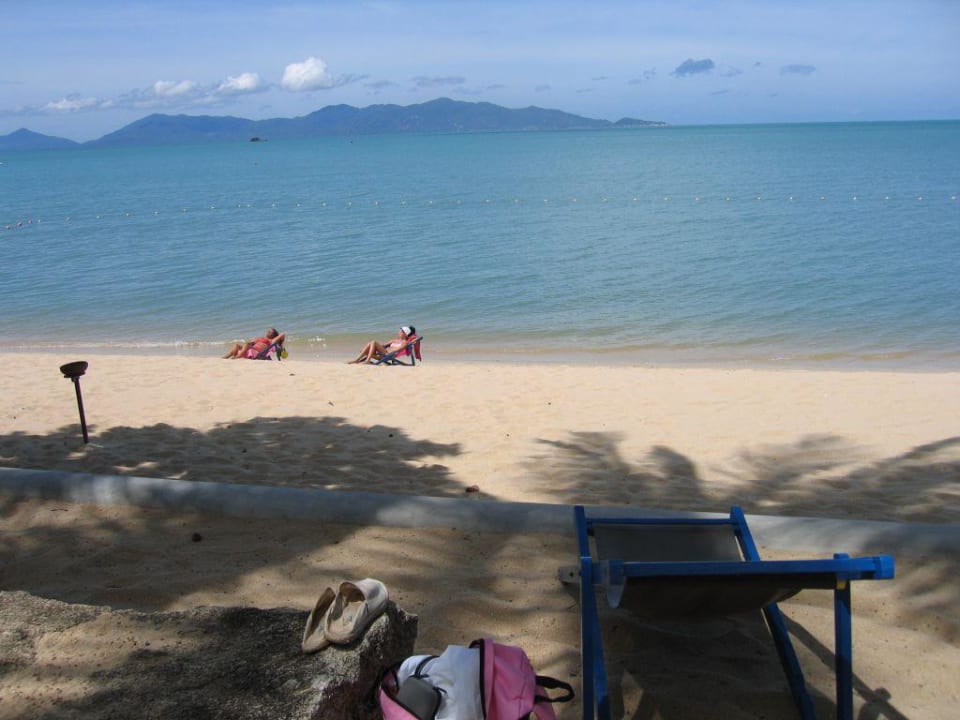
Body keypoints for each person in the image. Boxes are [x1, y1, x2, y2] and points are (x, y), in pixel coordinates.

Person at [348, 326, 416, 364]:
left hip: (388, 354)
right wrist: (376, 347)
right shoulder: (394, 340)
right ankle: (357, 360)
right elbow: (383, 345)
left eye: (401, 332)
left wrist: (390, 351)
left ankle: (365, 360)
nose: (399, 332)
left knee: (373, 342)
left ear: (405, 334)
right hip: (383, 354)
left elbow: (399, 350)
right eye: (399, 331)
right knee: (371, 343)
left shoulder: (405, 342)